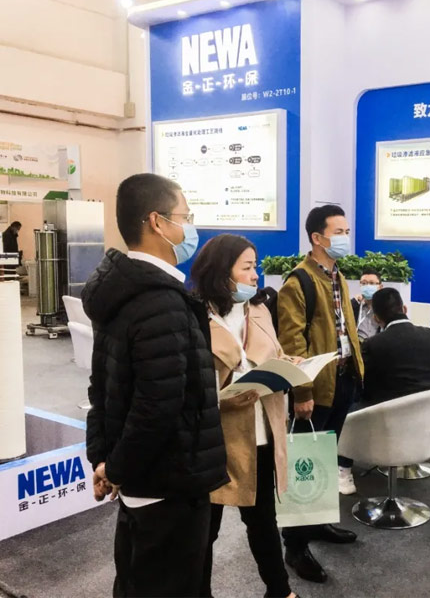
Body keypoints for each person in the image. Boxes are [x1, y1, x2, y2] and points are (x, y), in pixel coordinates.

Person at [83, 173, 228, 598]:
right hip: (170, 482)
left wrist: (105, 462)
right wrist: (115, 469)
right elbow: (157, 406)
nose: (190, 227)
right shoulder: (160, 302)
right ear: (157, 222)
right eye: (185, 216)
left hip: (142, 482)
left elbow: (101, 386)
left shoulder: (122, 290)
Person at [192, 234, 297, 598]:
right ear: (221, 271)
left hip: (262, 432)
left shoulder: (260, 310)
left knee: (263, 520)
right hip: (215, 439)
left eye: (256, 266)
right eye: (247, 267)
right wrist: (226, 397)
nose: (256, 275)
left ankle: (280, 590)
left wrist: (290, 365)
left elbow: (274, 354)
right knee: (206, 528)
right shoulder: (194, 317)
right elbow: (185, 385)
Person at [277, 204, 363, 583]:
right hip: (315, 387)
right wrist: (301, 390)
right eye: (339, 232)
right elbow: (292, 342)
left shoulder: (337, 275)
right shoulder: (298, 282)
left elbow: (346, 328)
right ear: (317, 237)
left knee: (325, 457)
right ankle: (295, 546)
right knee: (305, 464)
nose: (345, 238)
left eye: (347, 231)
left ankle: (318, 524)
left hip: (342, 379)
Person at [361, 288, 430, 406]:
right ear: (404, 309)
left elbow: (366, 384)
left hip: (386, 412)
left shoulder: (372, 344)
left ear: (376, 318)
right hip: (429, 411)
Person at [351, 268, 383, 341]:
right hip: (357, 345)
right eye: (364, 283)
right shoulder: (355, 306)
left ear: (380, 287)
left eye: (371, 283)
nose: (367, 286)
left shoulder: (385, 308)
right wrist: (353, 303)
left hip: (378, 345)